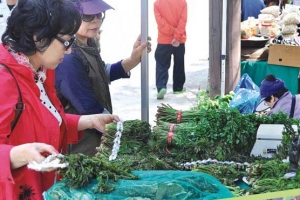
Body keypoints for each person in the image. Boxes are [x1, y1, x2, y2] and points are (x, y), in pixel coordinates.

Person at [0, 0, 120, 198]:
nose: (69, 50)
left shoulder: (40, 71)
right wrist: (17, 154)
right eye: (67, 41)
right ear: (38, 37)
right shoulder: (4, 80)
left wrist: (87, 121)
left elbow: (44, 120)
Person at [55, 0, 151, 156]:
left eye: (99, 14)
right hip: (80, 145)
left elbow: (101, 73)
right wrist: (121, 132)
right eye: (88, 15)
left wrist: (133, 59)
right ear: (70, 17)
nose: (96, 20)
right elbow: (87, 106)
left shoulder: (88, 42)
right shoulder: (68, 57)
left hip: (97, 136)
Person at [154, 0, 187, 100]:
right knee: (179, 63)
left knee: (161, 64)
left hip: (163, 40)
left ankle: (161, 87)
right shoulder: (182, 2)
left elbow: (160, 22)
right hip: (179, 40)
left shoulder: (157, 3)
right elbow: (183, 21)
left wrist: (172, 31)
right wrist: (177, 36)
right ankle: (178, 87)